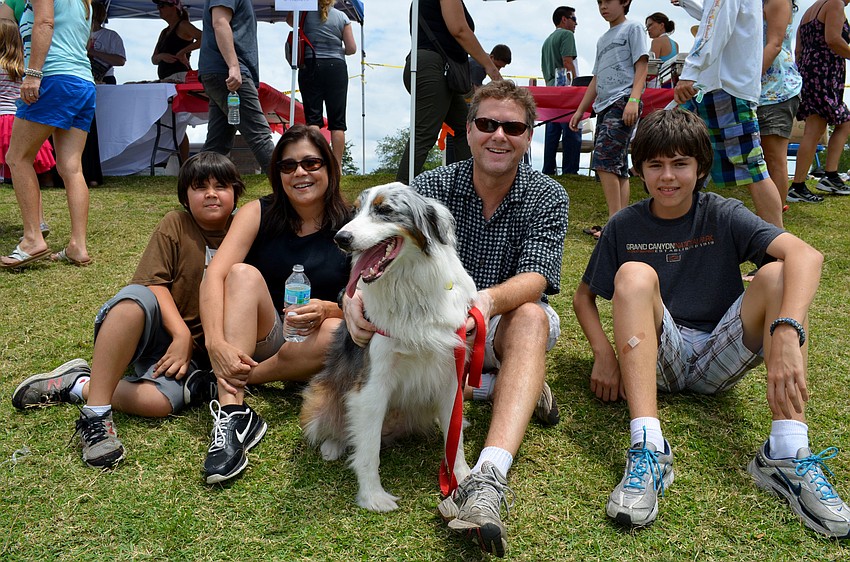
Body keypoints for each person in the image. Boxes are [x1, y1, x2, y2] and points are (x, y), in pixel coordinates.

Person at [573, 107, 850, 537]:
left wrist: (787, 331)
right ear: (640, 170)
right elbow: (584, 298)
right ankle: (648, 444)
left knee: (779, 272)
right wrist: (603, 353)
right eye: (656, 165)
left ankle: (787, 451)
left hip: (720, 350)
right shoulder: (624, 224)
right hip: (658, 356)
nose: (668, 176)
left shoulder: (721, 212)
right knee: (634, 274)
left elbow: (808, 256)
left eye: (680, 163)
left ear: (700, 167)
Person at [345, 81, 569, 558]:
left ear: (529, 136)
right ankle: (512, 386)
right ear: (467, 131)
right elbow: (377, 250)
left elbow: (539, 276)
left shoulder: (548, 194)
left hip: (499, 321)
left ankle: (488, 473)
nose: (498, 136)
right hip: (435, 332)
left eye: (513, 127)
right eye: (486, 124)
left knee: (530, 315)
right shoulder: (429, 188)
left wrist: (482, 305)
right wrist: (352, 299)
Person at [11, 152, 242, 469]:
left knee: (158, 404)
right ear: (185, 197)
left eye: (222, 186)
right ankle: (96, 415)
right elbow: (153, 283)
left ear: (236, 193)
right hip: (161, 332)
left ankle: (78, 384)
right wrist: (181, 334)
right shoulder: (176, 223)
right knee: (132, 302)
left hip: (201, 354)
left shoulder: (245, 230)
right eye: (200, 186)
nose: (212, 194)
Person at [198, 125, 350, 485]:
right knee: (240, 273)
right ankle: (234, 414)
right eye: (288, 166)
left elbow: (370, 308)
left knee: (336, 331)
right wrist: (215, 343)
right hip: (265, 337)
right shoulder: (257, 212)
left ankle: (235, 378)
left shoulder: (352, 223)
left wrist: (330, 308)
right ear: (277, 173)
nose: (300, 173)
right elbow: (214, 276)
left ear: (329, 167)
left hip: (317, 345)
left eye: (311, 163)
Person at [673, 0, 784, 229]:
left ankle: (779, 243)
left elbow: (715, 23)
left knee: (752, 167)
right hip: (717, 84)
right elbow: (714, 16)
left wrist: (691, 70)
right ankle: (681, 232)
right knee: (690, 158)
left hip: (726, 85)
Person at [1, 0, 96, 269]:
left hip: (53, 78)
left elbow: (45, 22)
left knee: (17, 157)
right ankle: (78, 245)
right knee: (71, 167)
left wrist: (32, 75)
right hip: (82, 82)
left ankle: (33, 239)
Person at [396, 0, 502, 185]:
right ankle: (397, 196)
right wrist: (491, 69)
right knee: (424, 134)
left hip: (435, 69)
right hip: (433, 68)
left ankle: (468, 185)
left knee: (466, 126)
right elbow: (459, 29)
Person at [569, 0, 648, 238]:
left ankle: (615, 226)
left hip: (623, 101)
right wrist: (581, 110)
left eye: (608, 1)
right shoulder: (602, 39)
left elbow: (642, 66)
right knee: (618, 166)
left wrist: (634, 100)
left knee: (603, 159)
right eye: (599, 2)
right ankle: (621, 224)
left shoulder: (633, 28)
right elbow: (595, 79)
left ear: (624, 2)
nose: (603, 6)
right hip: (603, 105)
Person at [198, 0, 274, 172]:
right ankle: (288, 192)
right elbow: (220, 22)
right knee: (260, 136)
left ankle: (196, 185)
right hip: (227, 71)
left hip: (221, 72)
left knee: (217, 144)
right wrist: (234, 66)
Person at [787, 0, 850, 198]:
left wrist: (803, 74)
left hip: (810, 72)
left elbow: (798, 50)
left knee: (817, 129)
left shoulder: (810, 11)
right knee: (837, 124)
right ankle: (818, 180)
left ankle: (808, 183)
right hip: (825, 74)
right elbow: (833, 39)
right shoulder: (835, 4)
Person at [296, 0, 356, 171]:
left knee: (313, 119)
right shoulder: (342, 17)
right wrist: (337, 49)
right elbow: (352, 48)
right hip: (336, 67)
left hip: (310, 64)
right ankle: (336, 168)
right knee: (338, 122)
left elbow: (289, 21)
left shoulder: (303, 14)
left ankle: (316, 162)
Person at [760, 0, 810, 204]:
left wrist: (748, 82)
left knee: (773, 157)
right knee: (762, 158)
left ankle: (775, 219)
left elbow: (774, 44)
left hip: (776, 89)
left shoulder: (778, 1)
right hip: (761, 89)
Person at [0, 18, 55, 192]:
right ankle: (45, 182)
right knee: (29, 160)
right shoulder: (26, 68)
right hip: (20, 118)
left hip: (1, 119)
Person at [541, 6, 582, 177]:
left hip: (551, 89)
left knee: (552, 131)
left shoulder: (547, 41)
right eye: (574, 19)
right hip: (566, 89)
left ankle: (548, 169)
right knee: (572, 127)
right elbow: (567, 62)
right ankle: (570, 170)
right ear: (564, 19)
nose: (576, 23)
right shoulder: (567, 35)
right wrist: (575, 86)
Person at [151, 0, 201, 83]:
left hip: (180, 76)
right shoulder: (164, 32)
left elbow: (204, 38)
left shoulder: (183, 25)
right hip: (166, 79)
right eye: (158, 6)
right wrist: (161, 56)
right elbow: (154, 59)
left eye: (162, 5)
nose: (159, 9)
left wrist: (182, 52)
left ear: (174, 7)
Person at [88, 1, 125, 85]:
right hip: (83, 77)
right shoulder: (79, 34)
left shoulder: (111, 36)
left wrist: (95, 53)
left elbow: (121, 61)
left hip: (106, 78)